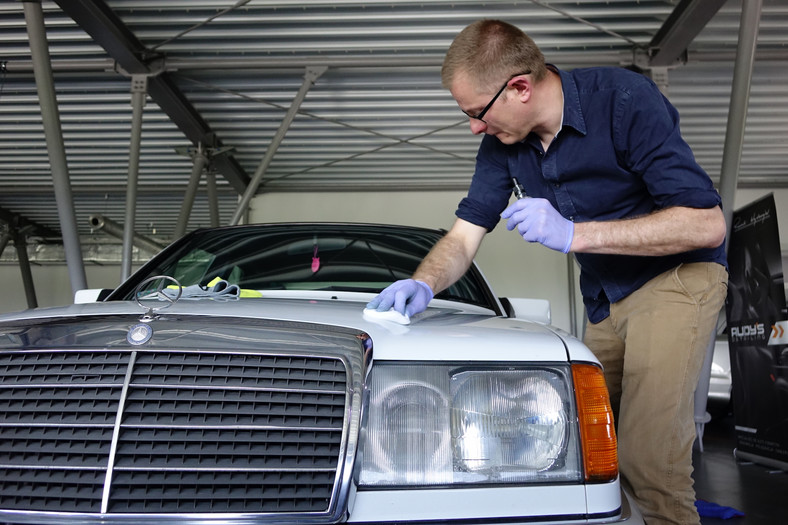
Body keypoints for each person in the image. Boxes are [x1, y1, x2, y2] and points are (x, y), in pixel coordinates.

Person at [366, 19, 728, 525]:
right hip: (605, 298)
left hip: (675, 279)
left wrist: (575, 234)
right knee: (587, 452)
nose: (474, 127)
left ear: (519, 87)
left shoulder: (622, 100)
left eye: (476, 113)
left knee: (649, 459)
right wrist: (424, 281)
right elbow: (462, 237)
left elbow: (706, 224)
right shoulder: (502, 146)